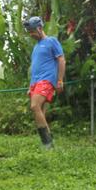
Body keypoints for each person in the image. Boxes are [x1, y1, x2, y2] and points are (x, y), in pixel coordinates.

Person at [24, 16, 65, 149]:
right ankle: (49, 144)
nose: (31, 34)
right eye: (29, 32)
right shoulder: (36, 47)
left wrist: (59, 80)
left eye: (32, 31)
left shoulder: (51, 41)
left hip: (47, 80)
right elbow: (35, 67)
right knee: (40, 111)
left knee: (34, 106)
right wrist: (31, 86)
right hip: (35, 82)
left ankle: (47, 144)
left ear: (40, 28)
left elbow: (61, 60)